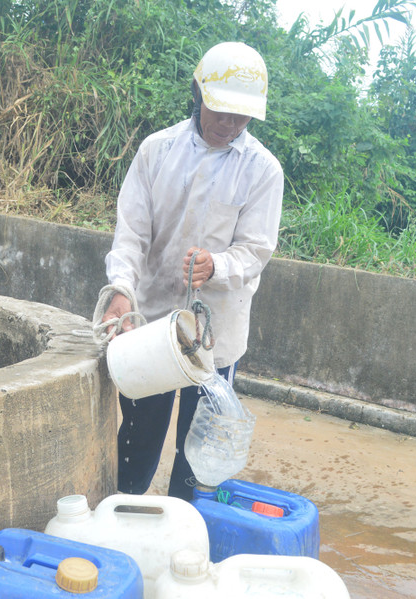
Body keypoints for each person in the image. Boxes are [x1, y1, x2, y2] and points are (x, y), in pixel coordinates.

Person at [101, 41, 284, 501]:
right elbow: (131, 234)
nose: (231, 124)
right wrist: (121, 289)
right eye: (222, 111)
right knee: (138, 439)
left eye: (242, 116)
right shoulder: (156, 151)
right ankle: (124, 515)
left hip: (215, 332)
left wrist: (217, 264)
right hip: (154, 323)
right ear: (198, 92)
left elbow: (257, 249)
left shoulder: (262, 170)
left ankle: (185, 530)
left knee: (199, 451)